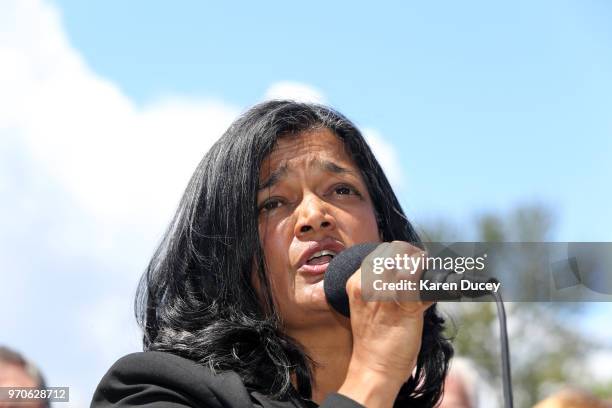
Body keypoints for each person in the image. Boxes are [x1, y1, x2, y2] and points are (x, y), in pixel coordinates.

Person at [91, 101, 453, 407]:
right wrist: (373, 376)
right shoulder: (154, 389)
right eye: (273, 203)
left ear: (384, 229)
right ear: (225, 257)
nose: (314, 217)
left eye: (342, 190)